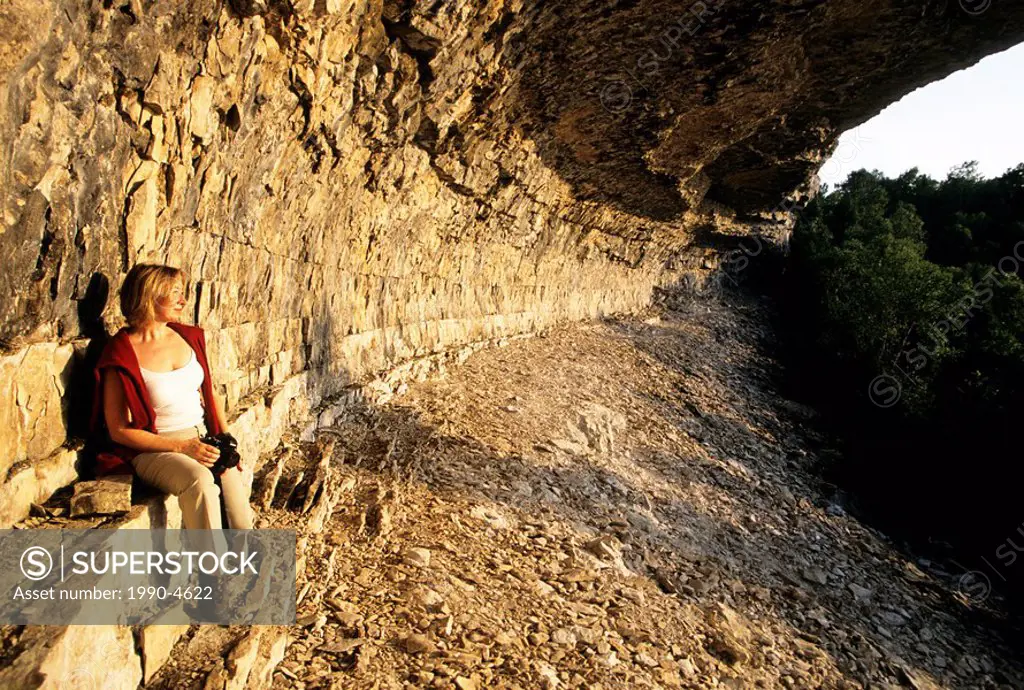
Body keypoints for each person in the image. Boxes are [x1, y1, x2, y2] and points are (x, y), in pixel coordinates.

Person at [89, 263, 253, 530]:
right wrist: (183, 447)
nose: (183, 300)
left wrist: (227, 441)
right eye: (175, 292)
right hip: (155, 447)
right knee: (199, 481)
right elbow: (118, 430)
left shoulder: (189, 336)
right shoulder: (120, 354)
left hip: (203, 437)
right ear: (149, 295)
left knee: (240, 518)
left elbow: (209, 392)